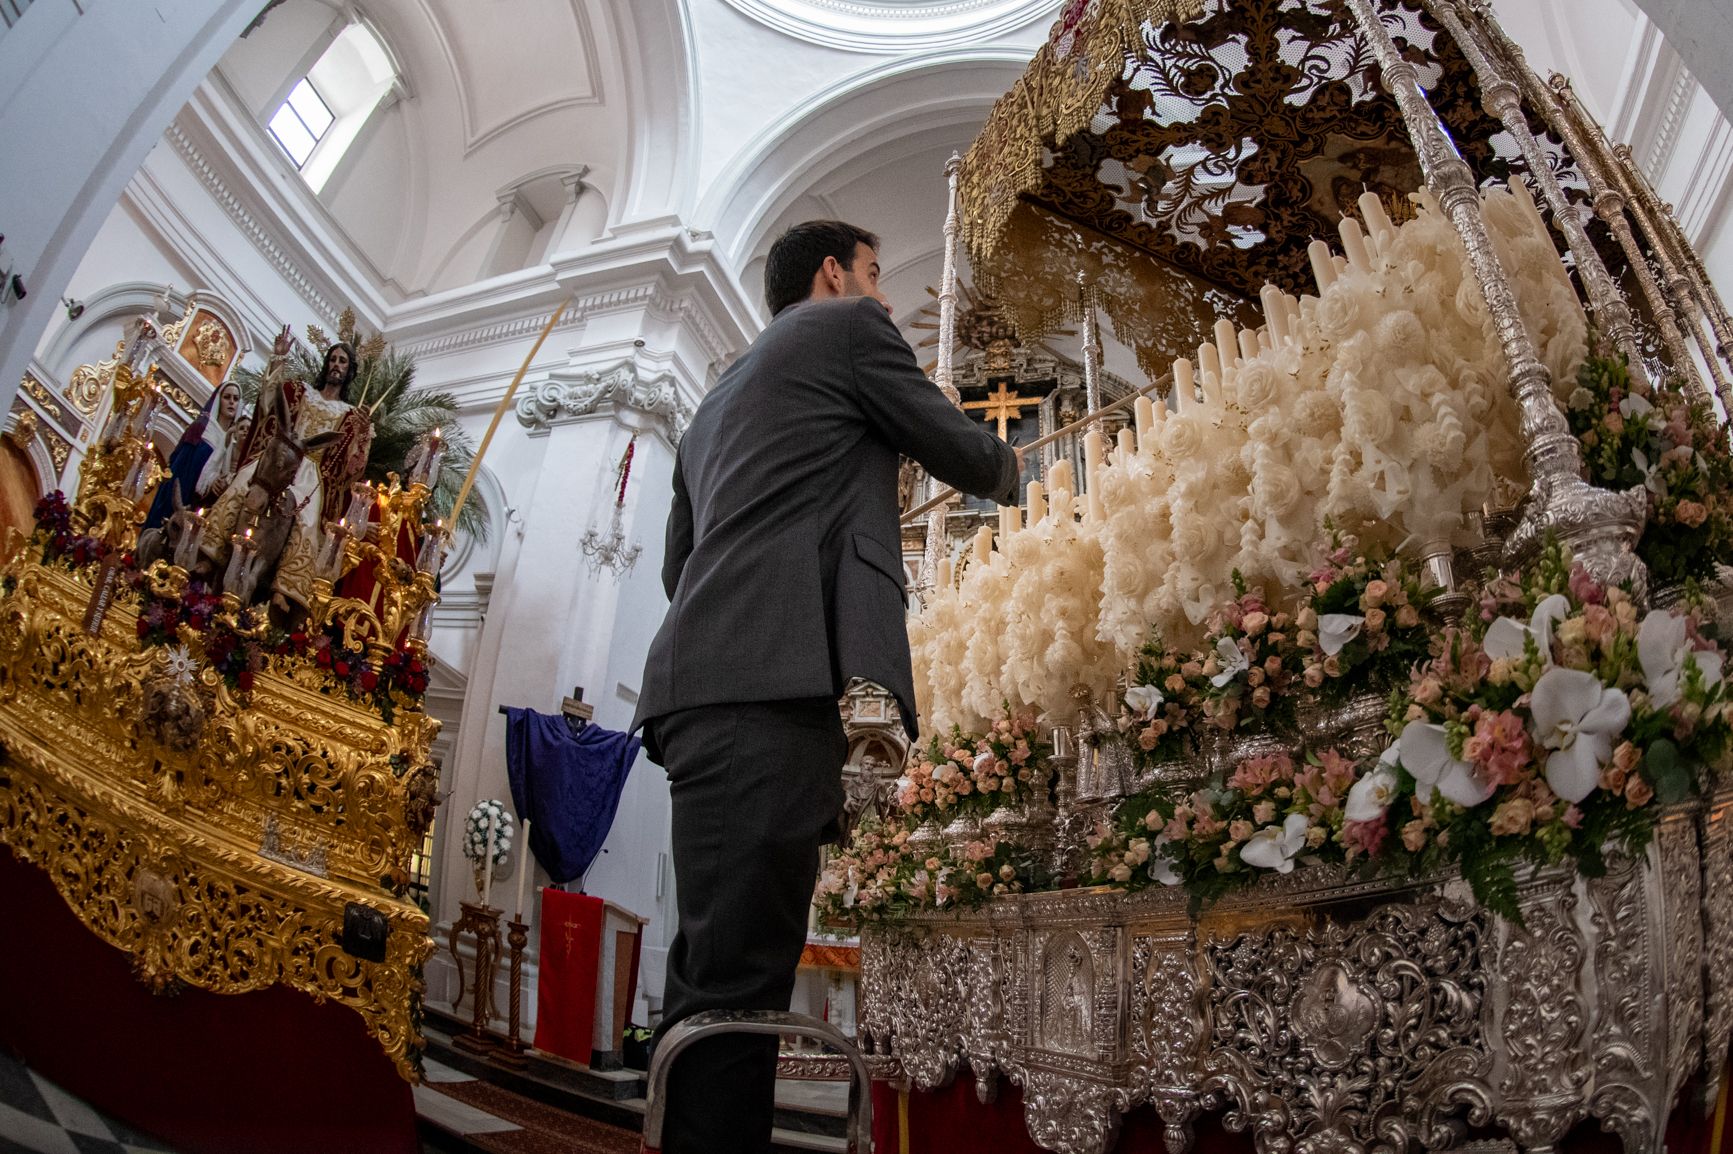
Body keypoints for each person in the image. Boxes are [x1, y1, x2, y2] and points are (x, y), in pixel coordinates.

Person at [632, 220, 1020, 1153]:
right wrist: (1031, 470)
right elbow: (952, 444)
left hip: (714, 681)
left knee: (717, 967)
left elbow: (677, 568)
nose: (887, 299)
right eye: (878, 276)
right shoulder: (845, 331)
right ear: (831, 273)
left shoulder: (715, 398)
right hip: (761, 692)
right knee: (737, 986)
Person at [199, 328, 372, 611]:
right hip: (281, 457)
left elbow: (353, 468)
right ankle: (212, 549)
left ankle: (285, 584)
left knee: (305, 519)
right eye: (333, 359)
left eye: (343, 362)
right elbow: (268, 405)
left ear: (350, 371)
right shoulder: (302, 392)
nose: (336, 365)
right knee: (243, 481)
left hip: (309, 472)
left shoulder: (349, 414)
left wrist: (362, 436)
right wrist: (278, 358)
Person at [143, 380, 240, 528]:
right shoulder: (201, 428)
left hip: (203, 507)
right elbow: (180, 466)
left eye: (236, 398)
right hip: (183, 492)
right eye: (227, 397)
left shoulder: (235, 441)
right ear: (219, 400)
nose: (232, 402)